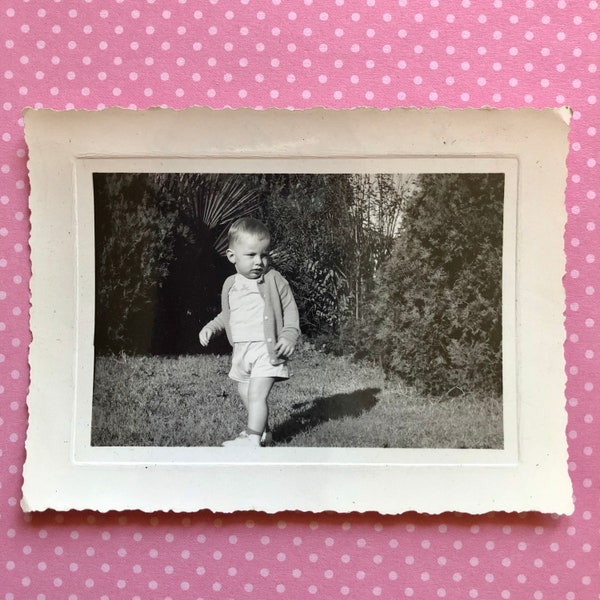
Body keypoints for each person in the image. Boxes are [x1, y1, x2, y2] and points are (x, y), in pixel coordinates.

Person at [199, 217, 300, 447]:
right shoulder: (230, 284)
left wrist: (288, 335)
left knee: (257, 395)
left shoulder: (274, 280)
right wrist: (211, 327)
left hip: (266, 349)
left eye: (264, 255)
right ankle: (264, 433)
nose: (259, 261)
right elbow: (227, 315)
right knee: (246, 394)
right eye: (251, 255)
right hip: (241, 352)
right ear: (232, 256)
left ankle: (252, 439)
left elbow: (290, 310)